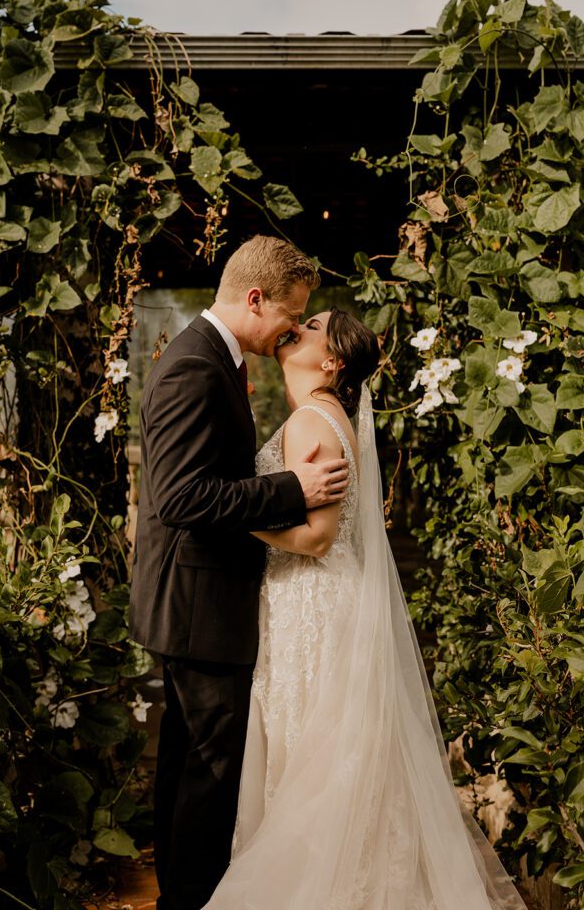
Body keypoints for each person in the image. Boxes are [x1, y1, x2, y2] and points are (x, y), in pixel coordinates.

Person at [204, 307, 530, 910]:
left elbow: (316, 537)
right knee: (332, 767)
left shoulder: (311, 422)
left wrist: (233, 520)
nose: (296, 326)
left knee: (314, 766)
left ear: (331, 362)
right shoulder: (330, 416)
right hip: (319, 600)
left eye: (313, 327)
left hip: (313, 605)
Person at [128, 236, 351, 910]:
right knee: (208, 774)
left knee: (190, 768)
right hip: (199, 605)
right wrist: (293, 487)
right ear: (255, 298)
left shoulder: (210, 359)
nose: (292, 329)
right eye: (292, 314)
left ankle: (180, 897)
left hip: (198, 600)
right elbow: (182, 497)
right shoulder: (195, 367)